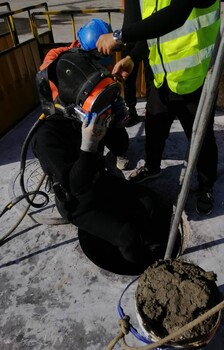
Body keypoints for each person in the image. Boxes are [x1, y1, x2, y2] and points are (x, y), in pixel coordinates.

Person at [32, 46, 176, 274]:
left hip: (100, 180)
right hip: (77, 202)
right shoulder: (47, 136)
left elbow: (119, 147)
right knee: (127, 236)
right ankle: (147, 273)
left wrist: (116, 124)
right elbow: (76, 186)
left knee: (152, 203)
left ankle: (155, 252)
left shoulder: (86, 114)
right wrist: (88, 146)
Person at [96, 0, 220, 215]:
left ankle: (206, 186)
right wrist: (133, 58)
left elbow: (175, 16)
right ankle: (152, 168)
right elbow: (154, 32)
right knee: (155, 128)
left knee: (201, 139)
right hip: (162, 78)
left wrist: (118, 36)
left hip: (196, 80)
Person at [39, 18, 129, 171]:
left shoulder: (103, 59)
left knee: (114, 125)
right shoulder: (58, 57)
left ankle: (119, 152)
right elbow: (46, 80)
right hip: (68, 111)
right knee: (77, 146)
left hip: (96, 106)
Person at [120, 0, 154, 127]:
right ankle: (131, 110)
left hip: (149, 32)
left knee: (151, 76)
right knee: (128, 77)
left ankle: (150, 110)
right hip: (130, 32)